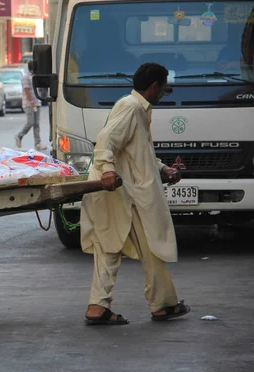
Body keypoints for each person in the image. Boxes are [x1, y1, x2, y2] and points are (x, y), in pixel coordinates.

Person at [81, 63, 190, 325]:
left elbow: (138, 153)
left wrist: (164, 169)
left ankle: (102, 306)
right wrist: (107, 170)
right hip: (118, 192)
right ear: (154, 87)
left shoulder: (139, 109)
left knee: (118, 247)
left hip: (126, 193)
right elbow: (106, 140)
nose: (165, 93)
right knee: (128, 247)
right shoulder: (130, 107)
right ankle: (161, 304)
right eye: (164, 88)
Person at [15, 60, 47, 151]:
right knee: (30, 122)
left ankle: (37, 143)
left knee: (36, 124)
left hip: (37, 102)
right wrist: (31, 101)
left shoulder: (35, 77)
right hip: (29, 104)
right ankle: (19, 136)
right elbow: (26, 90)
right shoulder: (25, 77)